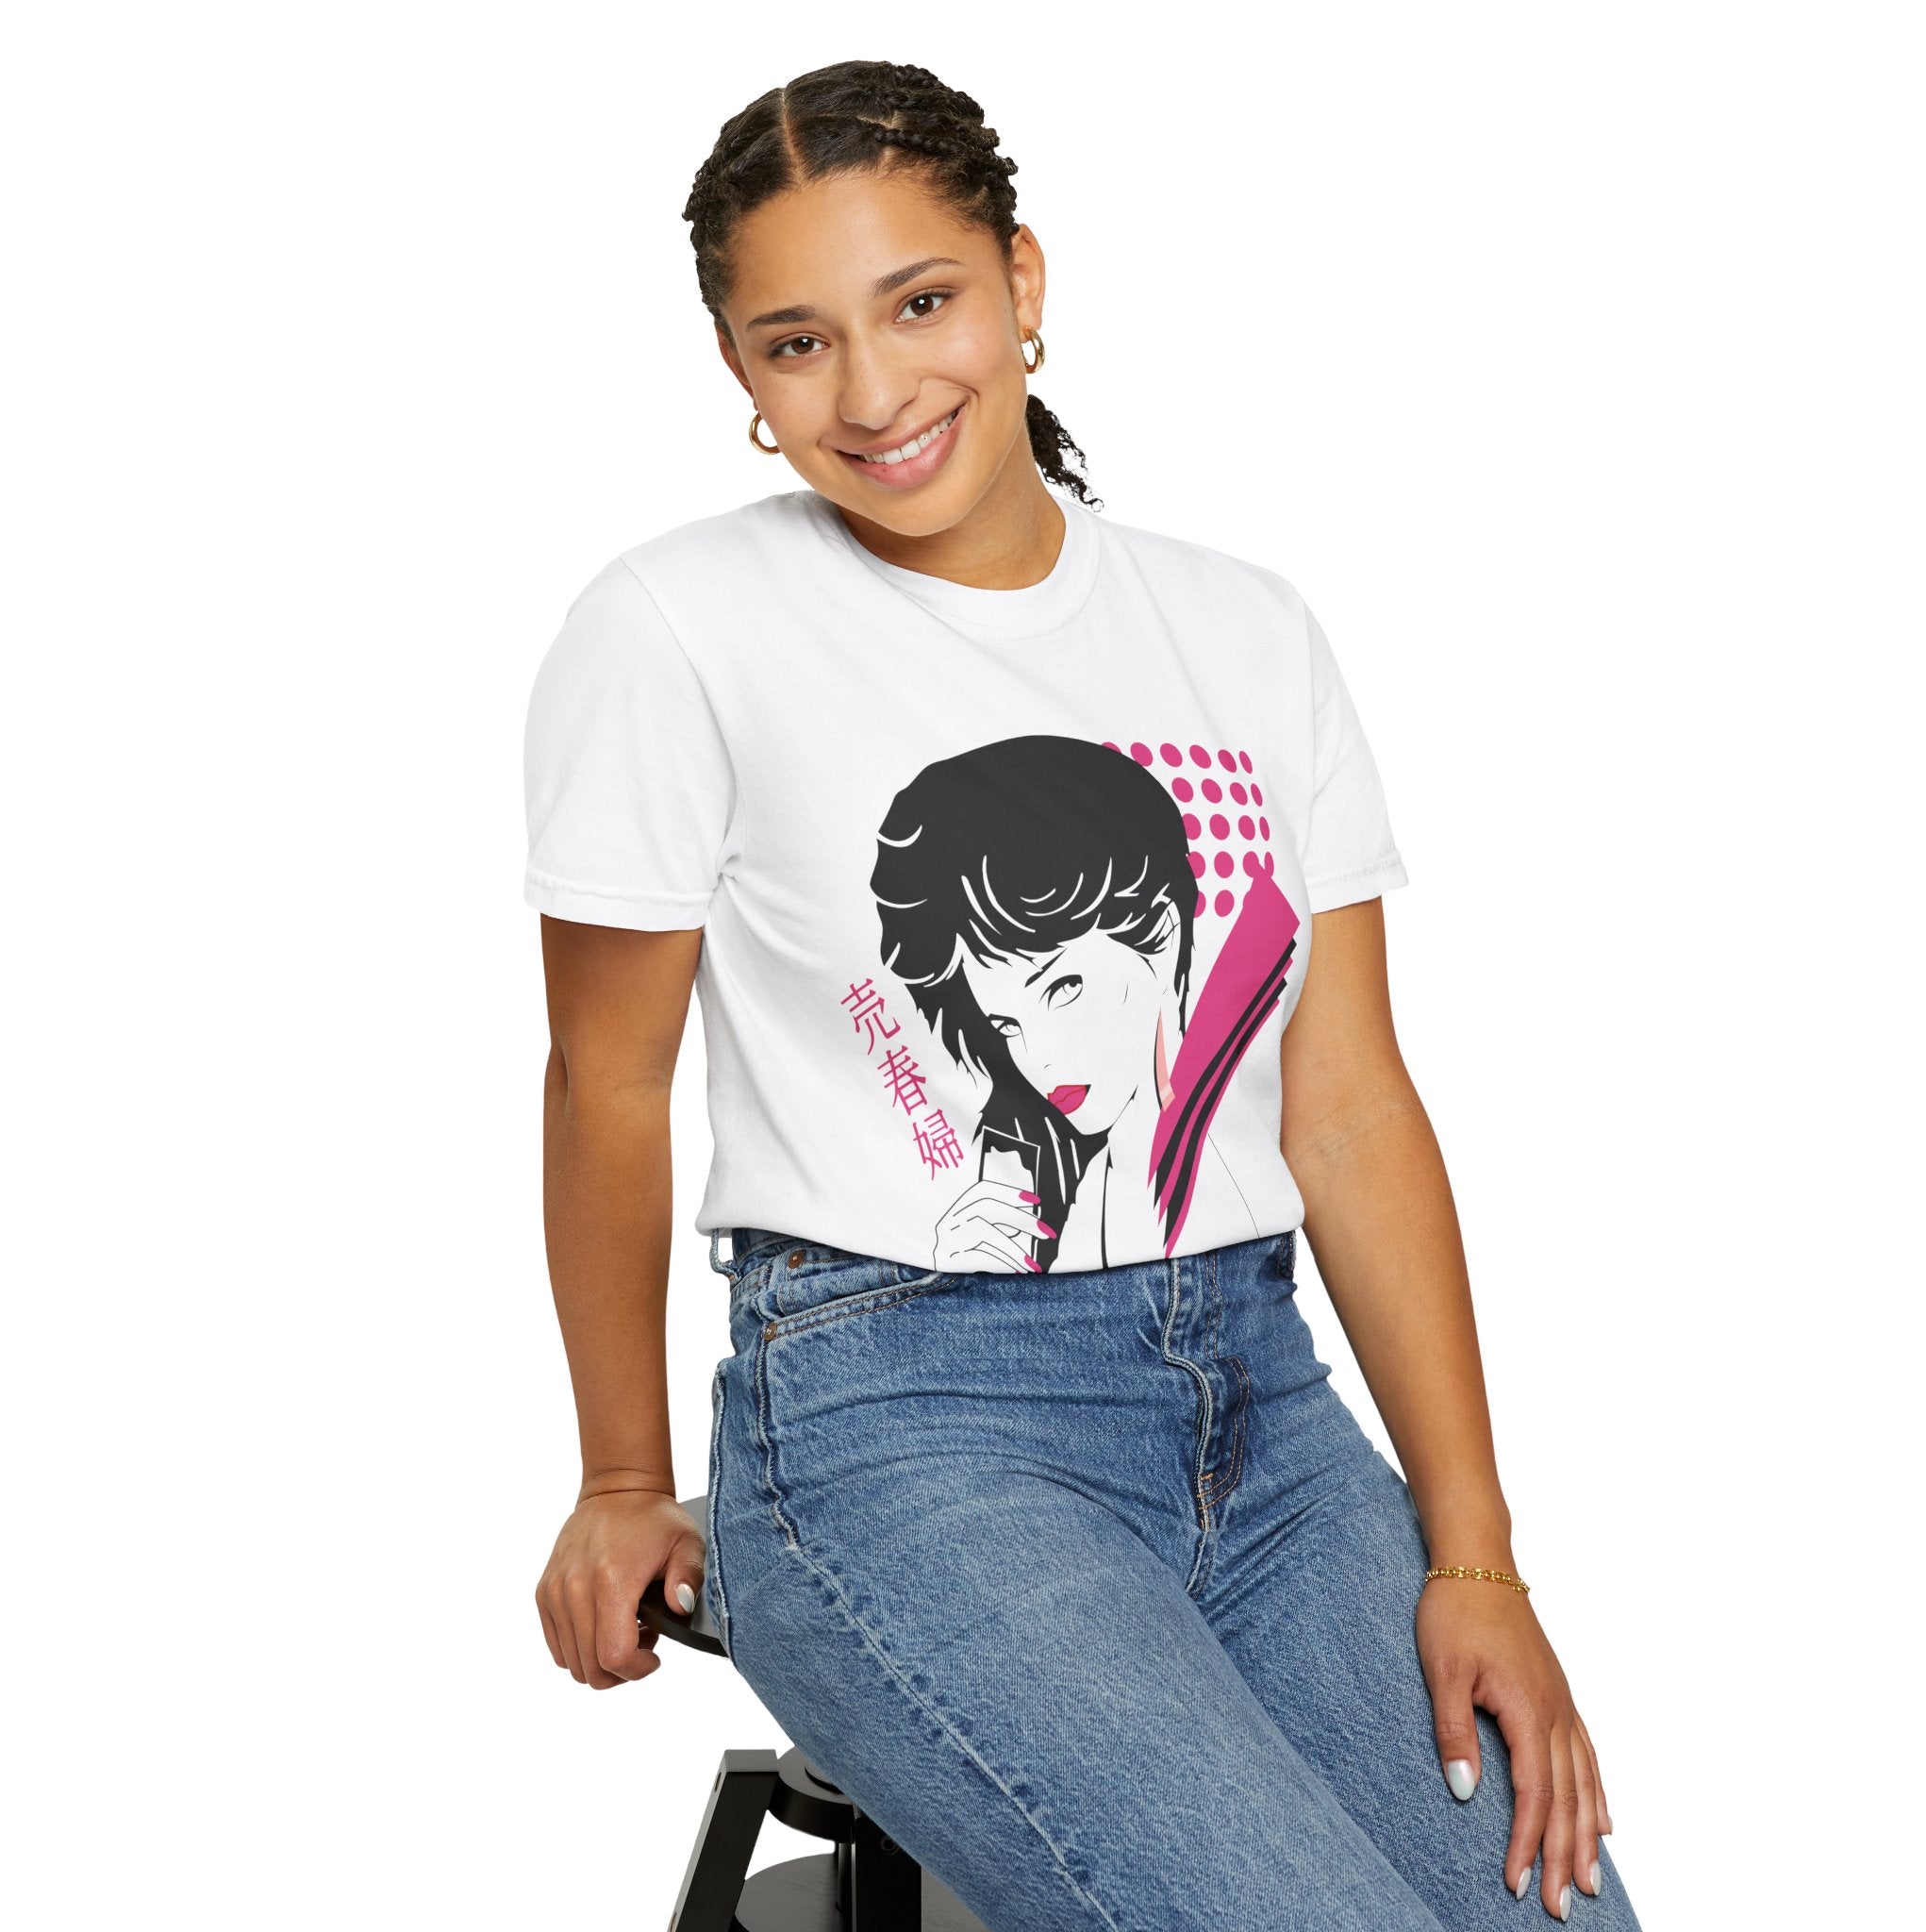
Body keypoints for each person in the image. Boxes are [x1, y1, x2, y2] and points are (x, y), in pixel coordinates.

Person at [523, 58, 1643, 1932]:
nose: (872, 391)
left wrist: (1475, 1557)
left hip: (1263, 1415)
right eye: (796, 342)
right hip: (895, 1425)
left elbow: (1349, 1104)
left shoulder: (1244, 631)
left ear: (1022, 280)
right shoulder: (676, 629)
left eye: (921, 302)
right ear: (738, 371)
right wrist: (623, 1470)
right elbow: (605, 1080)